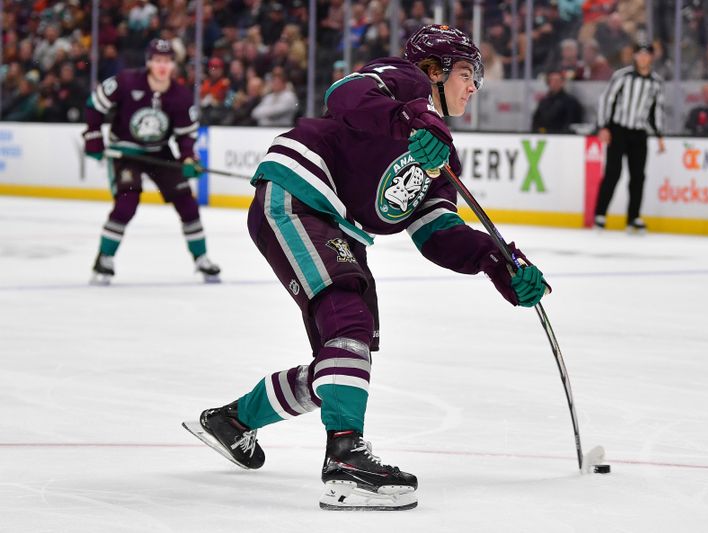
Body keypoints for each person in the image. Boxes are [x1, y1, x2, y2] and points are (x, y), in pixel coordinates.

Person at [183, 24, 548, 511]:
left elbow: (436, 231)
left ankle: (234, 421)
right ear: (434, 70)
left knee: (345, 352)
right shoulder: (403, 81)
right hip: (301, 192)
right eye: (466, 72)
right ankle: (345, 460)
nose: (474, 86)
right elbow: (346, 95)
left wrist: (496, 261)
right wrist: (414, 118)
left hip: (333, 223)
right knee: (349, 319)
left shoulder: (440, 154)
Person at [83, 39, 221, 284]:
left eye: (166, 61)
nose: (162, 66)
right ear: (149, 62)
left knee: (187, 204)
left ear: (173, 65)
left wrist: (188, 157)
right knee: (127, 203)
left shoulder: (180, 95)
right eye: (157, 60)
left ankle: (201, 259)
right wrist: (93, 135)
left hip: (159, 152)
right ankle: (104, 258)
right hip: (126, 152)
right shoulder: (126, 81)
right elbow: (95, 104)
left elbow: (185, 135)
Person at [593, 40, 666, 234]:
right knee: (613, 173)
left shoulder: (656, 82)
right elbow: (607, 100)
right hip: (618, 130)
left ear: (651, 57)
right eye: (639, 54)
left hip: (639, 132)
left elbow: (655, 109)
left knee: (638, 176)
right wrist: (604, 126)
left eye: (646, 54)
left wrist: (659, 134)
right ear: (634, 56)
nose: (643, 58)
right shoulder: (622, 76)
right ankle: (600, 214)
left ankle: (633, 217)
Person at [531, 69, 584, 133]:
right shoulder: (544, 101)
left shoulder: (571, 102)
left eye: (557, 80)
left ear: (562, 82)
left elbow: (571, 123)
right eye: (551, 80)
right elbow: (536, 120)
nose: (554, 83)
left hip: (562, 137)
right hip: (544, 136)